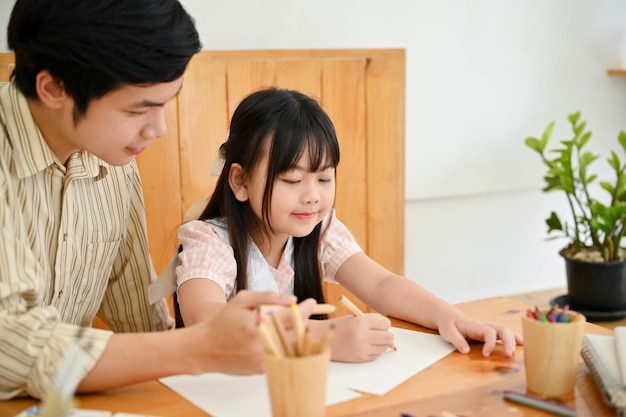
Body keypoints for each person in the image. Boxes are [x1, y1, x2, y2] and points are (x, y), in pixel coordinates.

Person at [0, 0, 319, 401]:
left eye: (166, 103)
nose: (160, 128)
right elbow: (7, 345)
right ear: (53, 88)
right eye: (139, 109)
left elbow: (139, 320)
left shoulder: (113, 159)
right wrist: (202, 346)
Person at [176, 87, 524, 363]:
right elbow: (206, 321)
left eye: (324, 178)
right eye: (292, 180)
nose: (312, 196)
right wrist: (324, 339)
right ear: (240, 181)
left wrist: (451, 317)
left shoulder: (319, 230)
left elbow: (382, 284)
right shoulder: (209, 241)